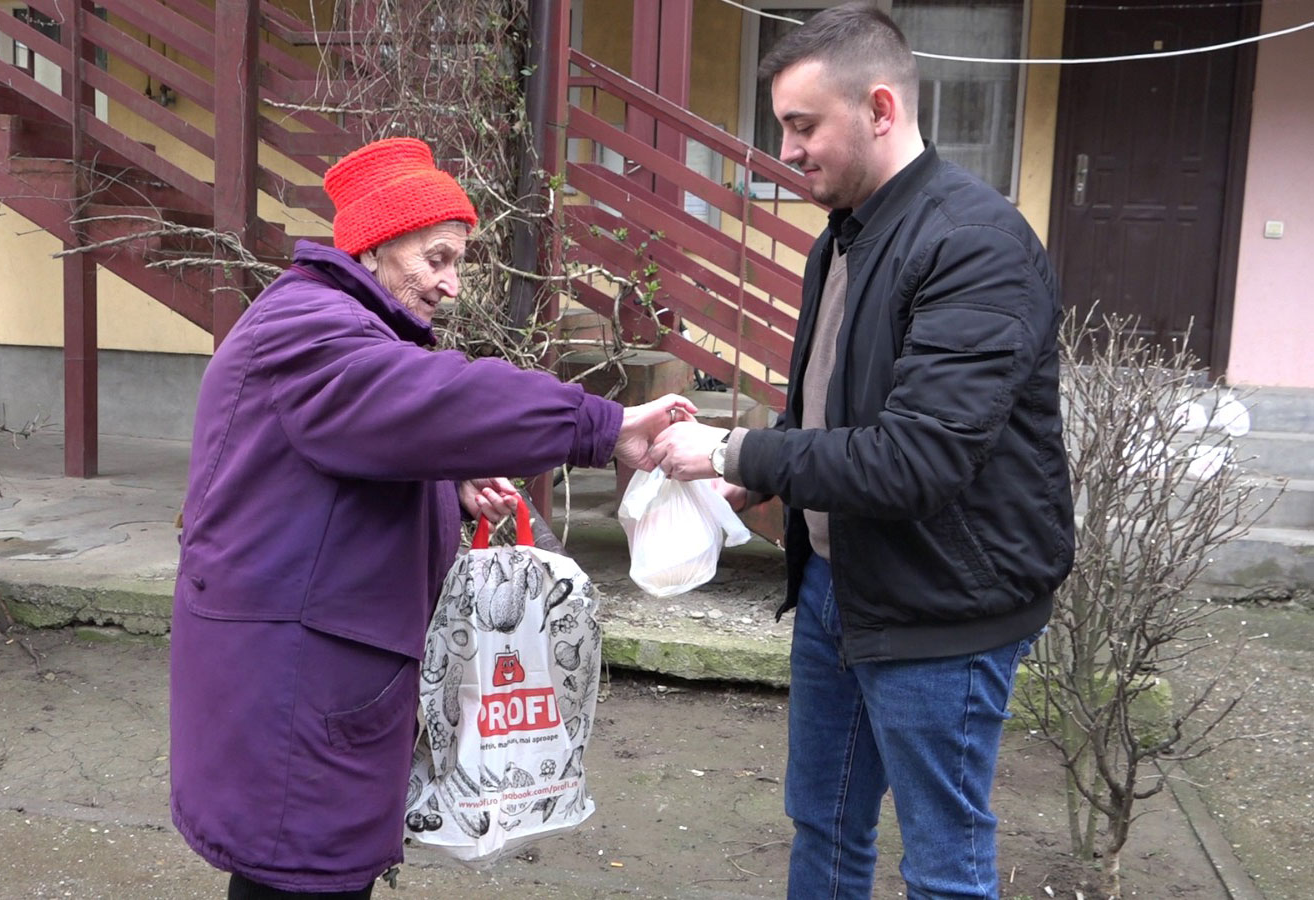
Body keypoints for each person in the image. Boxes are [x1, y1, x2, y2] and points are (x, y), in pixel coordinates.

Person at [169, 136, 694, 899]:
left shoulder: (325, 324)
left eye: (458, 263)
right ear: (375, 246)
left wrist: (444, 481)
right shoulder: (314, 333)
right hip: (296, 692)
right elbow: (442, 400)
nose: (451, 285)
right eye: (437, 259)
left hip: (302, 677)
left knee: (293, 878)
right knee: (297, 880)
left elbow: (346, 459)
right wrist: (602, 425)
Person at [649, 7, 1074, 899]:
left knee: (943, 867)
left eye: (804, 125)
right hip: (836, 587)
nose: (787, 151)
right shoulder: (843, 235)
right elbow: (840, 404)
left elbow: (918, 459)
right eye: (782, 127)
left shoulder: (975, 243)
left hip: (940, 605)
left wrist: (734, 451)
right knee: (825, 826)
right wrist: (757, 483)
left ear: (880, 108)